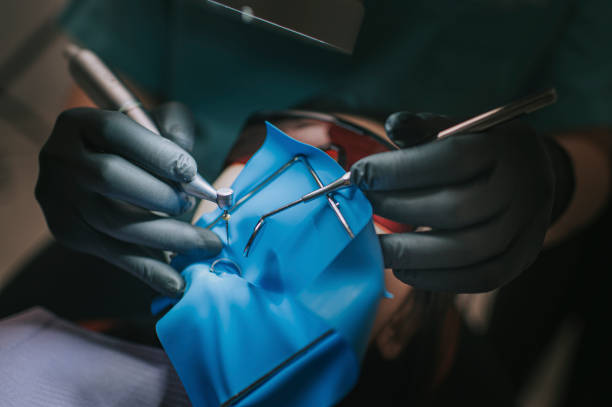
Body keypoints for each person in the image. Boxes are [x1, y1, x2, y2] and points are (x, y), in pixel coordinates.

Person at [5, 0, 611, 404]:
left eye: (368, 195)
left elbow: (595, 137)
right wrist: (101, 139)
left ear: (400, 330)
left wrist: (556, 178)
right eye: (272, 149)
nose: (320, 164)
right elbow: (108, 59)